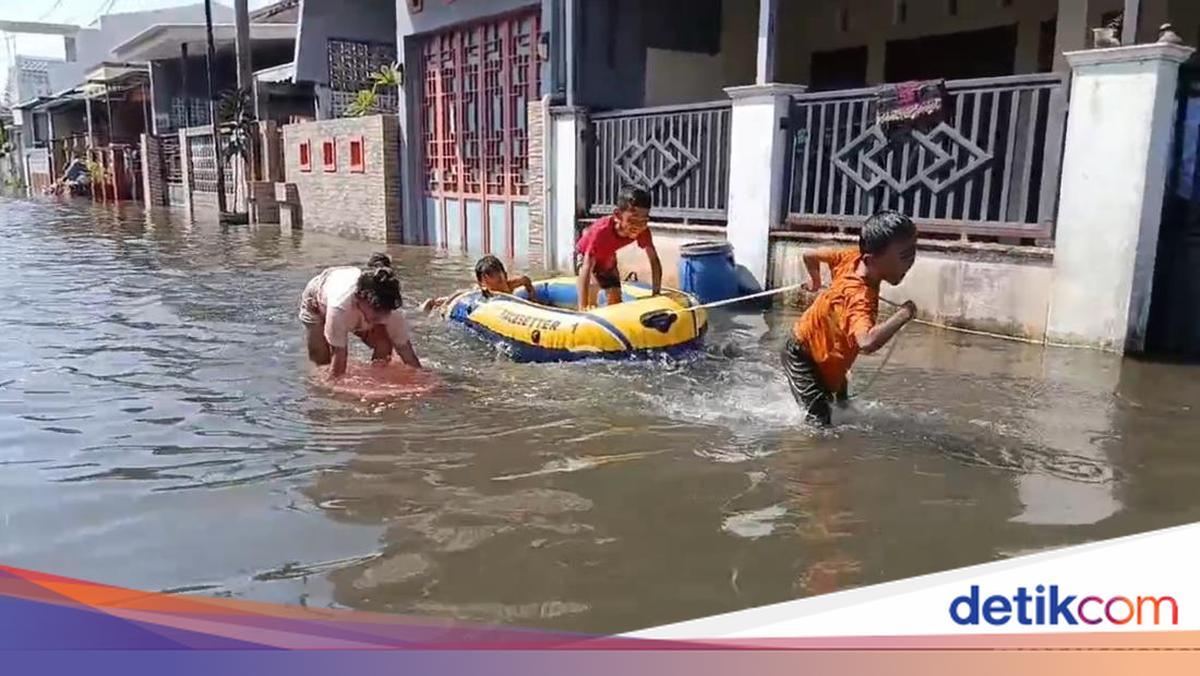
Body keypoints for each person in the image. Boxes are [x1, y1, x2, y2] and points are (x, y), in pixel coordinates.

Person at [782, 211, 918, 426]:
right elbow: (866, 342)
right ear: (871, 260)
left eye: (913, 252)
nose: (910, 262)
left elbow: (809, 255)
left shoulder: (850, 257)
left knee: (842, 403)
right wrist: (904, 314)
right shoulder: (859, 297)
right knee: (820, 422)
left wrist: (815, 281)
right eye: (904, 256)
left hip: (828, 351)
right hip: (803, 355)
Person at [299, 253, 421, 378]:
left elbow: (407, 352)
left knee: (384, 344)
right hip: (317, 298)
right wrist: (334, 392)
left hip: (350, 290)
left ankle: (377, 377)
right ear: (360, 298)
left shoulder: (391, 312)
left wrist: (424, 379)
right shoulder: (339, 309)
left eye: (386, 311)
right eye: (377, 310)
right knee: (322, 361)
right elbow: (339, 359)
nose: (383, 317)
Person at [574, 185, 661, 310]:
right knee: (592, 292)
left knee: (615, 299)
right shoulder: (602, 231)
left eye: (644, 221)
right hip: (585, 254)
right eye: (633, 220)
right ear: (618, 215)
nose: (638, 226)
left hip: (607, 257)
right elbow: (587, 266)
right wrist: (583, 306)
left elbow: (654, 260)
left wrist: (656, 293)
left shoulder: (643, 231)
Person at [419, 255, 537, 312]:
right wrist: (447, 304)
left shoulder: (510, 285)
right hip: (471, 294)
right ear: (483, 284)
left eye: (500, 280)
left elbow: (525, 280)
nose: (497, 286)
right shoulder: (484, 293)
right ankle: (435, 302)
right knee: (461, 294)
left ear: (505, 275)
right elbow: (461, 294)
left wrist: (532, 296)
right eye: (490, 283)